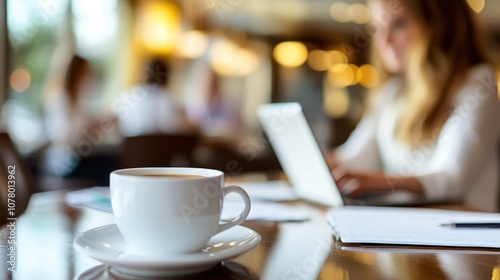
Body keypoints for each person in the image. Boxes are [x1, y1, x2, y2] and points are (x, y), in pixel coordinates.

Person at [329, 0, 500, 212]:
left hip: (463, 233)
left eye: (399, 24)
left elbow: (452, 179)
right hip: (409, 228)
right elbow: (354, 159)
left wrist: (380, 182)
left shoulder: (477, 83)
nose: (384, 40)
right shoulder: (392, 92)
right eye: (378, 27)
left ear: (440, 26)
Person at [114, 58, 193, 137]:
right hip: (157, 147)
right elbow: (169, 127)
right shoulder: (166, 97)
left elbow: (119, 122)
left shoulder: (130, 94)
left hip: (130, 146)